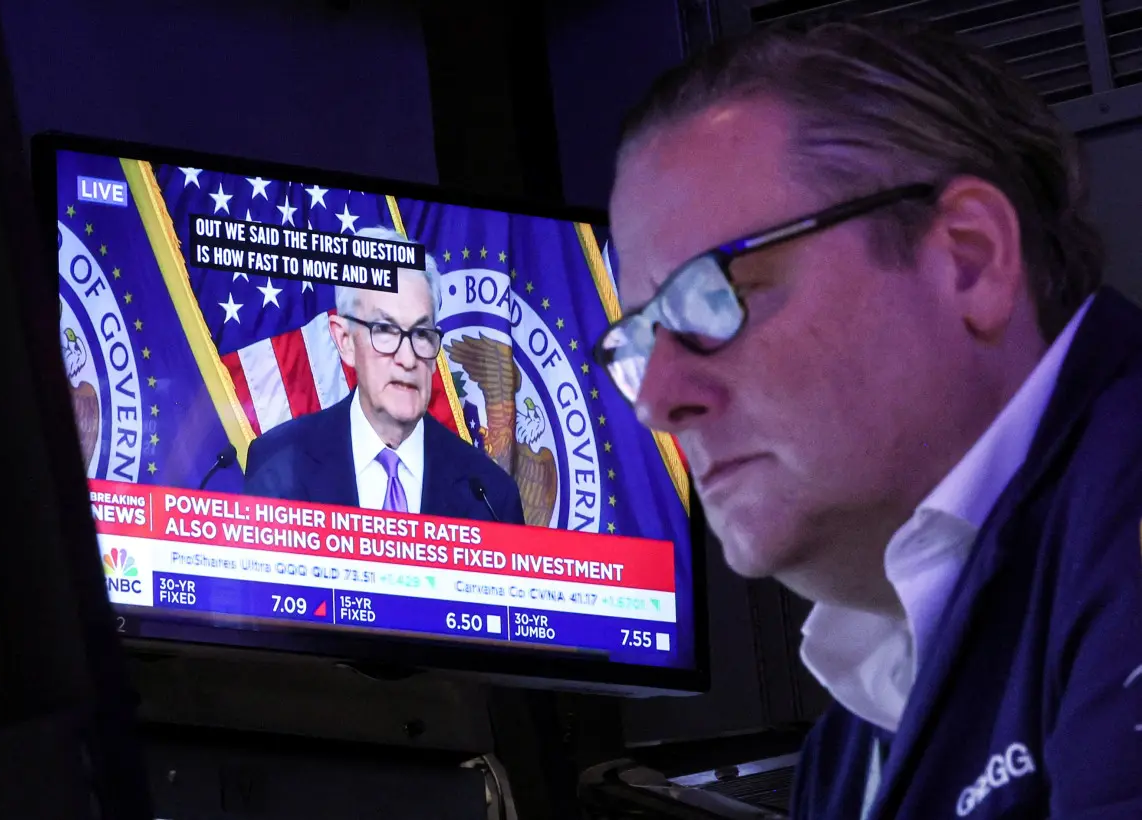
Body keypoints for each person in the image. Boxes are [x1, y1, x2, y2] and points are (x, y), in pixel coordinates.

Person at [595, 17, 1142, 820]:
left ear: (968, 257)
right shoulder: (849, 751)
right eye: (639, 340)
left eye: (715, 297)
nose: (657, 401)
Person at [244, 226, 525, 524]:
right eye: (386, 330)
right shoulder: (279, 464)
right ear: (345, 341)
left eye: (421, 334)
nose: (407, 359)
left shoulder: (490, 495)